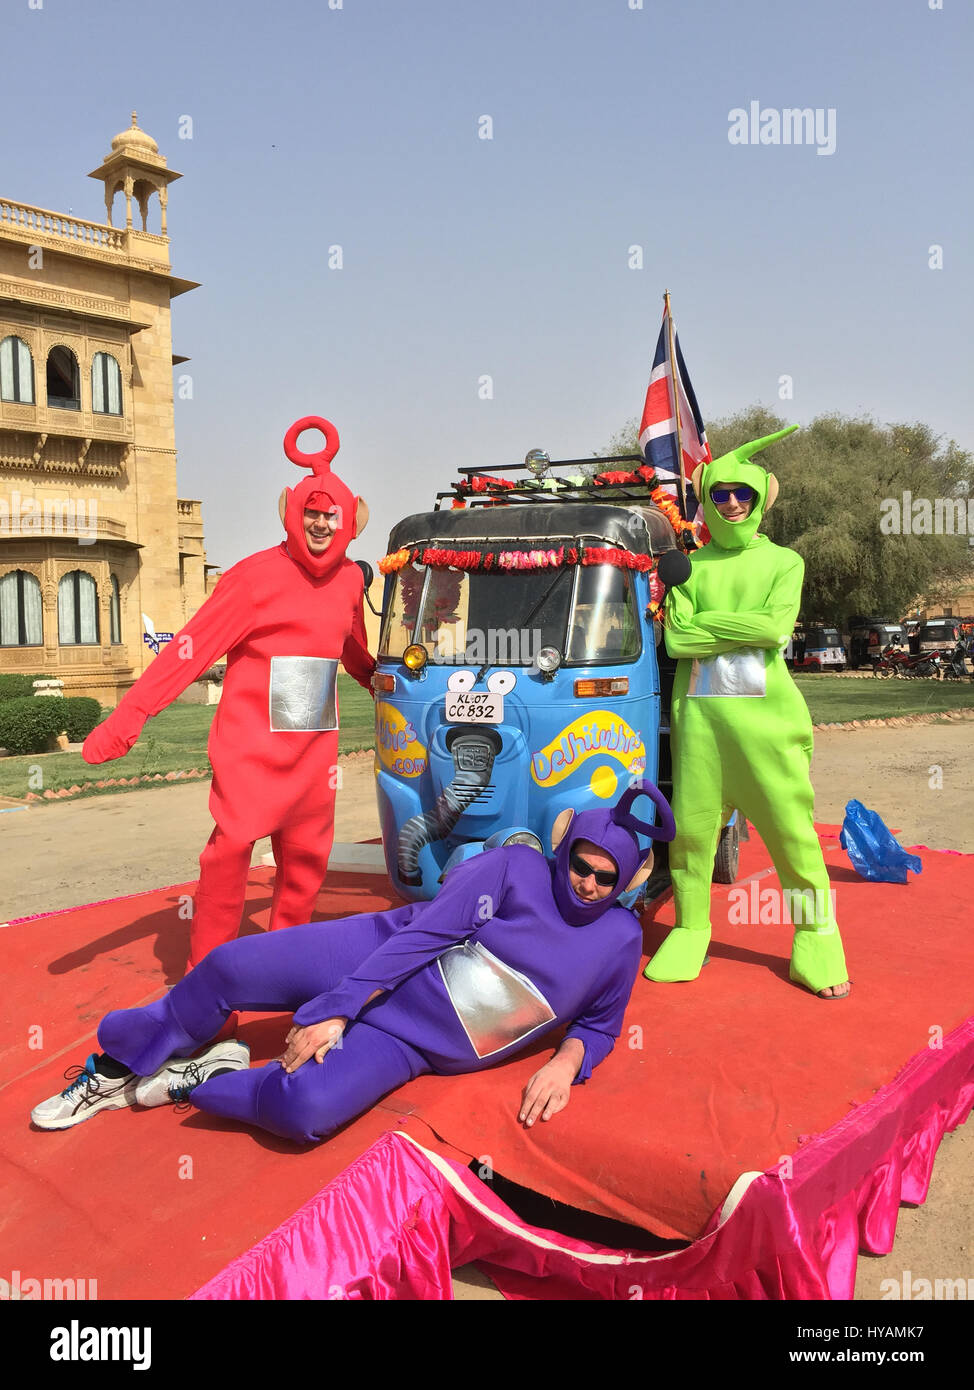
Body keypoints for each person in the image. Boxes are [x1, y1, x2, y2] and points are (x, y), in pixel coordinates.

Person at [31, 784, 673, 1141]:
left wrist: (567, 1063)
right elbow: (426, 935)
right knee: (229, 968)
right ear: (568, 850)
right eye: (582, 865)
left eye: (604, 878)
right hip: (375, 950)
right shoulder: (515, 867)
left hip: (415, 1039)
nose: (588, 883)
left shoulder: (618, 939)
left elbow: (600, 1023)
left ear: (625, 883)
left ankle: (192, 1079)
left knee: (302, 1111)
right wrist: (336, 1008)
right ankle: (117, 1065)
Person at [82, 417, 375, 969]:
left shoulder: (349, 581)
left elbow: (351, 647)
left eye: (329, 514)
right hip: (252, 749)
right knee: (230, 850)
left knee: (307, 860)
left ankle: (278, 966)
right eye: (310, 512)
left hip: (314, 750)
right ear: (290, 510)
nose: (319, 523)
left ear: (351, 520)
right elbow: (186, 651)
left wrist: (385, 683)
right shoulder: (251, 578)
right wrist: (128, 717)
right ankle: (206, 978)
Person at [644, 425, 851, 999]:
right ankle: (690, 928)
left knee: (792, 837)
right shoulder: (686, 567)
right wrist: (732, 632)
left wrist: (709, 629)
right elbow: (677, 642)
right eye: (719, 494)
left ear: (761, 498)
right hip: (701, 732)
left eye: (744, 494)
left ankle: (816, 934)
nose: (731, 503)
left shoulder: (785, 562)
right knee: (689, 839)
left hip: (768, 731)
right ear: (706, 498)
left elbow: (773, 628)